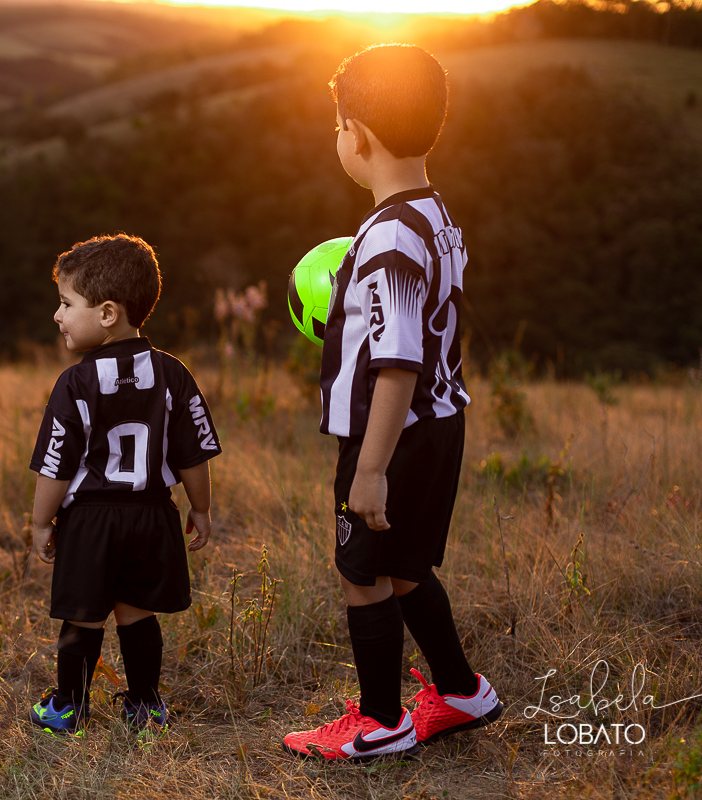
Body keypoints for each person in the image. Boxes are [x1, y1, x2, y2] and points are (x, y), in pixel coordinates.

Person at [281, 44, 503, 761]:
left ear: (361, 138)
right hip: (441, 424)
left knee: (363, 573)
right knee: (407, 565)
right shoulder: (436, 215)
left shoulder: (386, 237)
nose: (337, 138)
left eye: (338, 125)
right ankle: (462, 691)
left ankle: (381, 722)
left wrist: (370, 466)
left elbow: (398, 361)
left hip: (395, 436)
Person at [27, 233, 220, 734]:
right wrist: (200, 508)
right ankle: (144, 704)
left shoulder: (75, 382)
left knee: (85, 616)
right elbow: (193, 453)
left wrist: (40, 521)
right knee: (137, 612)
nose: (58, 315)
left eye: (67, 304)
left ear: (108, 313)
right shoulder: (173, 373)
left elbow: (56, 465)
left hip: (91, 519)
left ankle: (69, 708)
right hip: (152, 513)